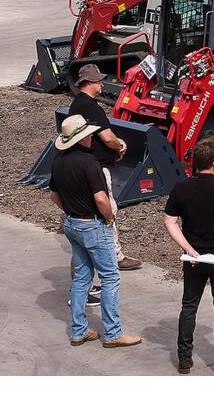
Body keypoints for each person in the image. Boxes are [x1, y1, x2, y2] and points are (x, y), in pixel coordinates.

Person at [49, 114, 142, 349]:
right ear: (83, 138)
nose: (92, 136)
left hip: (72, 223)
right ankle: (112, 333)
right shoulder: (91, 164)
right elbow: (101, 198)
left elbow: (53, 195)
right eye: (88, 133)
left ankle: (78, 331)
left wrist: (69, 209)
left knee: (82, 277)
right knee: (110, 276)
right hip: (92, 225)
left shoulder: (58, 161)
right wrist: (109, 218)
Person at [163, 137, 214, 376]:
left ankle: (184, 360)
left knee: (189, 307)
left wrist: (188, 248)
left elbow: (169, 221)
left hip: (194, 258)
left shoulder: (182, 187)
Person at [69, 63, 142, 271]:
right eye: (98, 80)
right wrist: (121, 146)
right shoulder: (92, 107)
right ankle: (114, 255)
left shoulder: (76, 104)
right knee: (108, 209)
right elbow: (107, 137)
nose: (102, 84)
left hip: (83, 165)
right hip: (97, 167)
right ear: (90, 82)